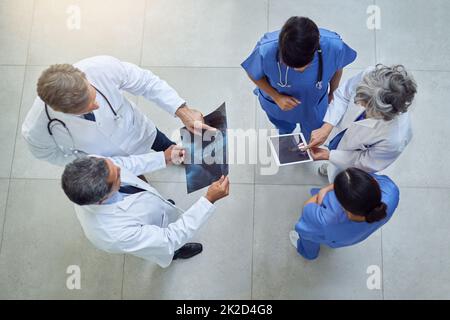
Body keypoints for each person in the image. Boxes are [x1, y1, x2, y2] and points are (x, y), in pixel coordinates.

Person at [22, 55, 214, 168]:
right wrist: (87, 160)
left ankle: (174, 156)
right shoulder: (37, 128)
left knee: (164, 144)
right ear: (60, 110)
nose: (97, 106)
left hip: (138, 130)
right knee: (135, 185)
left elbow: (146, 82)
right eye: (86, 108)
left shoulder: (100, 67)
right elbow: (46, 154)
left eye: (94, 96)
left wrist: (182, 111)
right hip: (110, 162)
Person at [61, 153, 230, 268]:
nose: (120, 170)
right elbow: (169, 238)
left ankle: (161, 208)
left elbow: (125, 164)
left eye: (112, 165)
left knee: (159, 206)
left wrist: (164, 157)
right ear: (103, 198)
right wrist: (208, 200)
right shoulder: (114, 233)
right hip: (156, 239)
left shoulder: (93, 164)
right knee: (167, 248)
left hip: (150, 206)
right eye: (117, 176)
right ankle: (176, 254)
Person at [241, 16, 357, 142]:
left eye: (304, 66)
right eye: (290, 65)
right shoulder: (265, 50)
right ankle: (286, 136)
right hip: (278, 106)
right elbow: (252, 73)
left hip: (315, 104)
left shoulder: (333, 46)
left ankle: (305, 146)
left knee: (312, 136)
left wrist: (333, 92)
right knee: (284, 130)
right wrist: (276, 96)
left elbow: (337, 67)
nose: (298, 71)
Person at [305, 64, 418, 182]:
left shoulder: (395, 139)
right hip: (342, 133)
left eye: (366, 106)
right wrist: (327, 127)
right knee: (333, 151)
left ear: (385, 113)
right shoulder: (371, 77)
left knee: (340, 174)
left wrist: (328, 156)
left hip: (352, 159)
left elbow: (365, 162)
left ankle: (333, 168)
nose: (358, 103)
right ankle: (330, 165)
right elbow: (343, 95)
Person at [290, 167, 399, 260]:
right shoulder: (391, 192)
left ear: (342, 205)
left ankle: (308, 254)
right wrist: (330, 188)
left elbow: (307, 208)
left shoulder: (325, 220)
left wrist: (322, 192)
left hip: (330, 236)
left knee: (308, 237)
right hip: (353, 237)